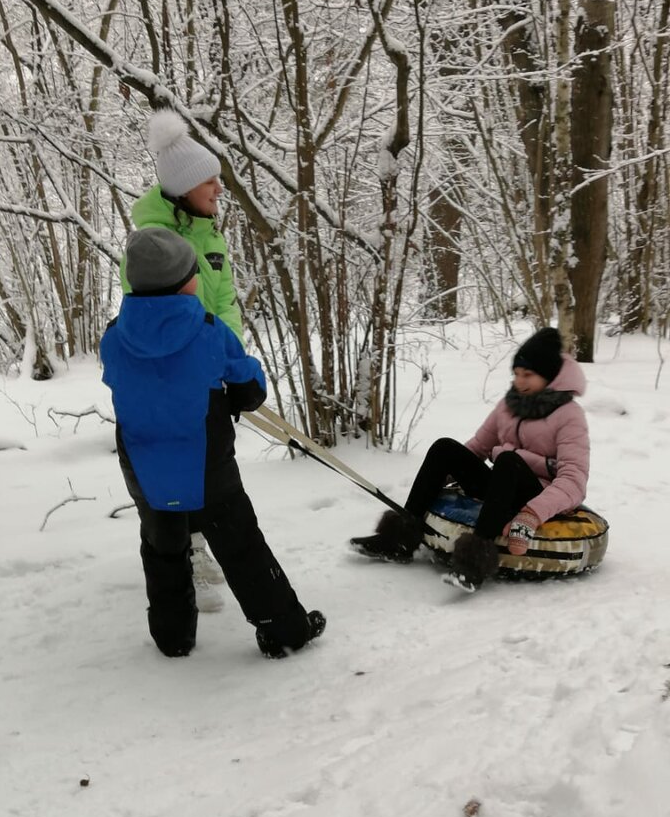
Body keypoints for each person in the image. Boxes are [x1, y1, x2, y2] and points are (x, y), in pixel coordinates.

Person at [102, 227, 326, 658]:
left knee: (161, 545)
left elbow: (119, 379)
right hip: (204, 464)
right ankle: (283, 630)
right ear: (183, 280)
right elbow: (248, 387)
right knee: (239, 544)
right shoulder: (207, 331)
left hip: (144, 464)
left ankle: (173, 637)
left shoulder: (114, 336)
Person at [349, 327, 590, 592]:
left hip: (534, 494)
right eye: (517, 374)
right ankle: (400, 539)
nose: (520, 381)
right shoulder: (509, 405)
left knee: (508, 460)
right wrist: (443, 475)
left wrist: (532, 515)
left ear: (550, 376)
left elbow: (574, 480)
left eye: (528, 375)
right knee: (445, 448)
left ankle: (475, 562)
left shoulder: (569, 415)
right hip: (500, 487)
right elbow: (478, 447)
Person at [121, 108, 242, 610]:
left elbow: (225, 301)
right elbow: (153, 319)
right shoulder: (154, 241)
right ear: (183, 189)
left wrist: (232, 359)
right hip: (176, 375)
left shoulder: (210, 230)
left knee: (213, 459)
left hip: (213, 366)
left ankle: (199, 538)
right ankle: (187, 548)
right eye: (209, 180)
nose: (219, 187)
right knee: (181, 461)